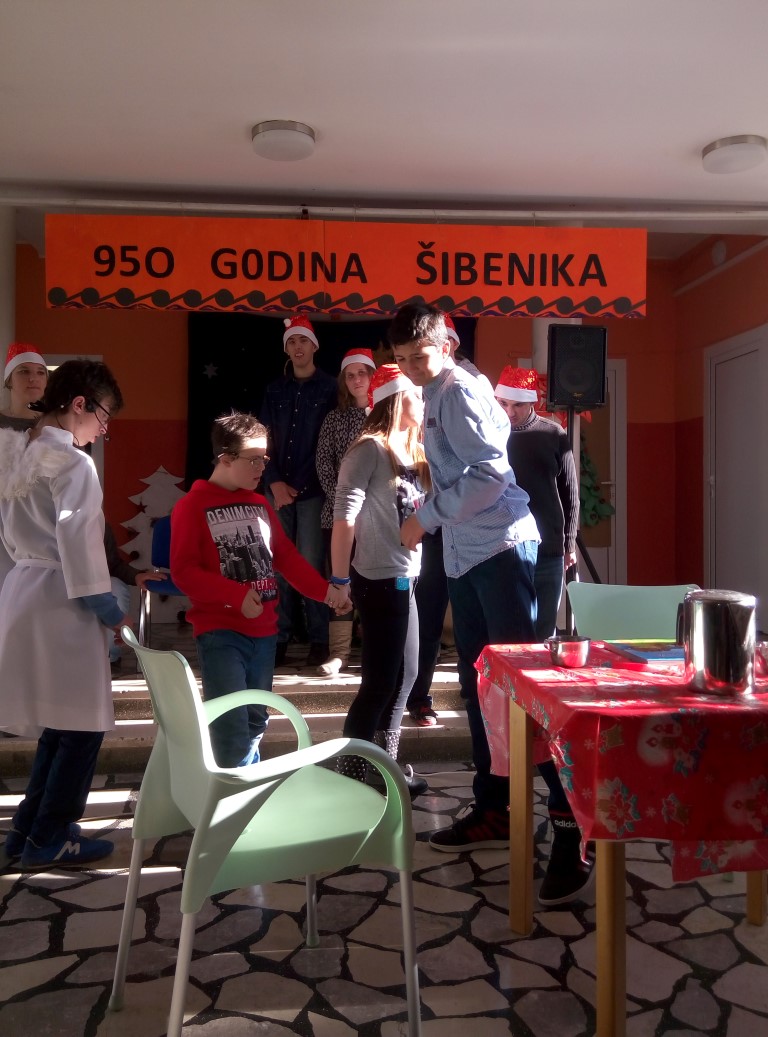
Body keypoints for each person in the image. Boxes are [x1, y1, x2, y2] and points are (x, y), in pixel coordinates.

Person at [392, 304, 592, 905]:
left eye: (419, 356)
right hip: (467, 556)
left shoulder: (459, 391)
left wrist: (425, 517)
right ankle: (495, 810)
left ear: (446, 347)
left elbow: (490, 475)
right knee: (481, 688)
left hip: (501, 552)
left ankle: (570, 825)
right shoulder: (434, 392)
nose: (411, 368)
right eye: (401, 360)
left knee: (524, 694)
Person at [0, 359, 128, 869]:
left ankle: (27, 828)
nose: (103, 429)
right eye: (103, 417)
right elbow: (80, 541)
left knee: (60, 722)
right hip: (62, 599)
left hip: (23, 588)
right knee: (82, 725)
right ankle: (52, 835)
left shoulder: (17, 455)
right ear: (80, 405)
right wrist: (107, 606)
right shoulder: (74, 463)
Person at [170, 411, 350, 768]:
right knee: (230, 726)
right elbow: (184, 572)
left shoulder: (259, 503)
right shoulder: (191, 506)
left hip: (265, 634)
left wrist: (326, 592)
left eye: (264, 459)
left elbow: (286, 557)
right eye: (253, 460)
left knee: (256, 719)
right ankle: (237, 796)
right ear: (225, 458)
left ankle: (245, 784)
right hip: (221, 635)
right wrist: (234, 595)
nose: (262, 468)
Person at [330, 365, 429, 797]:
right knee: (380, 682)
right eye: (416, 395)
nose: (423, 402)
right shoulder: (368, 450)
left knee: (405, 676)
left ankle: (383, 767)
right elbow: (343, 519)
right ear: (396, 399)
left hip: (406, 577)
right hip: (379, 581)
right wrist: (339, 580)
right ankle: (351, 776)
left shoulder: (413, 448)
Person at [259, 315, 338, 669]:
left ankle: (319, 639)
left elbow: (327, 443)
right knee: (277, 565)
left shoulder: (330, 388)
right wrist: (274, 481)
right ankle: (279, 638)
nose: (297, 347)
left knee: (308, 564)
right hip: (276, 489)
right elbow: (262, 439)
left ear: (314, 346)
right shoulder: (274, 389)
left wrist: (297, 486)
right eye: (291, 342)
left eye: (303, 340)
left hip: (312, 491)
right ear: (286, 349)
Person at [495, 366, 579, 639]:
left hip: (548, 547)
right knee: (510, 631)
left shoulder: (553, 433)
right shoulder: (489, 435)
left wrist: (569, 544)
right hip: (505, 547)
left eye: (517, 405)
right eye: (503, 403)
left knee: (543, 629)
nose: (509, 412)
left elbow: (570, 494)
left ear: (531, 402)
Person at [315, 347, 376, 675]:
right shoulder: (334, 418)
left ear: (372, 376)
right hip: (339, 515)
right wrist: (343, 499)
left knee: (374, 582)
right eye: (350, 375)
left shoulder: (385, 415)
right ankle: (339, 652)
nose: (356, 380)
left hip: (378, 517)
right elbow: (323, 461)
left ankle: (374, 649)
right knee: (340, 580)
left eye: (362, 373)